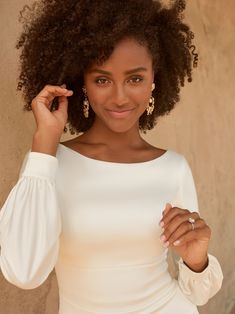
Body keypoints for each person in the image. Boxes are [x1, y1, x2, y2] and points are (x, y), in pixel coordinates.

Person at [0, 0, 223, 313]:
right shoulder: (48, 164)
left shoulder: (174, 168)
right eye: (102, 79)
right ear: (83, 84)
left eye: (135, 78)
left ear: (154, 81)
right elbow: (24, 272)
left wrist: (197, 260)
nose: (119, 97)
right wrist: (44, 142)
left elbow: (198, 294)